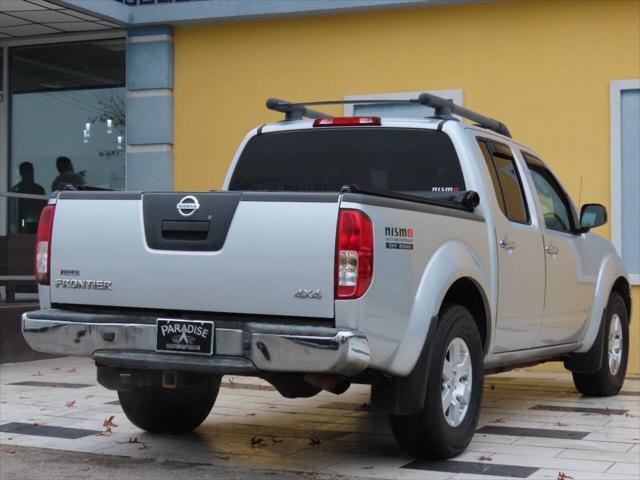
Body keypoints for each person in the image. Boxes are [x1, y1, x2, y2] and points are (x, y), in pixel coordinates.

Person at [10, 162, 47, 234]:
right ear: (21, 173)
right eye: (27, 172)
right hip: (20, 224)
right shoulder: (16, 190)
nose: (30, 174)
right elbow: (13, 210)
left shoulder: (39, 189)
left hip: (37, 223)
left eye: (30, 171)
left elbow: (43, 207)